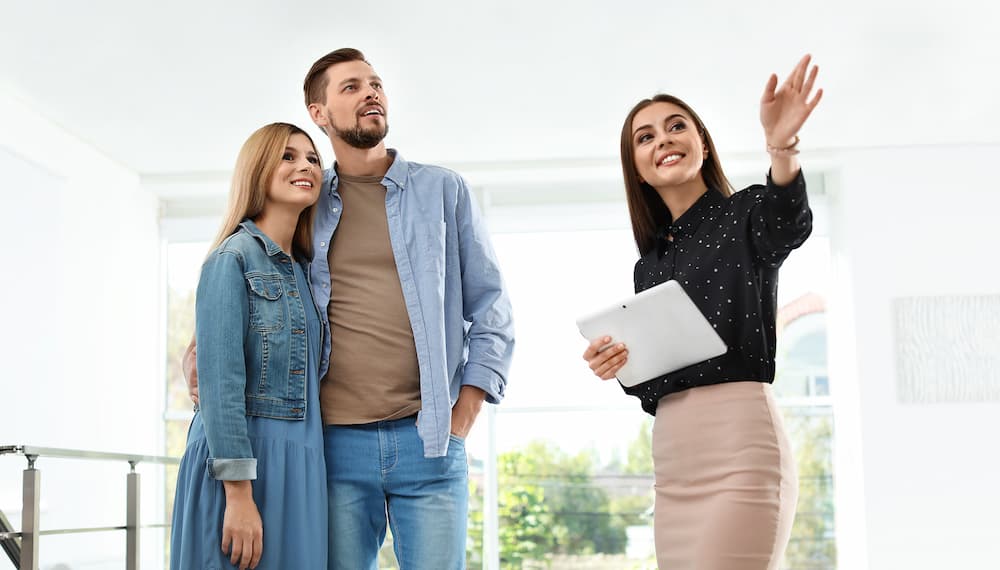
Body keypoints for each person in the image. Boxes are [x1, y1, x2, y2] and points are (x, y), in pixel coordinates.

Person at [185, 48, 515, 569]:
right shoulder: (308, 201)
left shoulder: (443, 191)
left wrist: (464, 413)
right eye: (351, 87)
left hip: (429, 439)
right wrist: (201, 347)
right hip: (333, 448)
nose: (371, 93)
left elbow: (492, 308)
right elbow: (261, 293)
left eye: (376, 83)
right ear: (320, 113)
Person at [582, 55, 822, 569]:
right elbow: (653, 385)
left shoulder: (746, 214)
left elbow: (790, 221)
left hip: (741, 449)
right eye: (644, 138)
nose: (662, 140)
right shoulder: (647, 268)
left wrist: (781, 147)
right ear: (638, 170)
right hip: (673, 464)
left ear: (702, 143)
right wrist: (619, 364)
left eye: (675, 127)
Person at [171, 123, 328, 569]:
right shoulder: (232, 259)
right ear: (257, 170)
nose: (305, 166)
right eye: (288, 156)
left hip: (300, 468)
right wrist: (238, 495)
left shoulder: (305, 274)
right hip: (240, 468)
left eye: (313, 159)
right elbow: (219, 384)